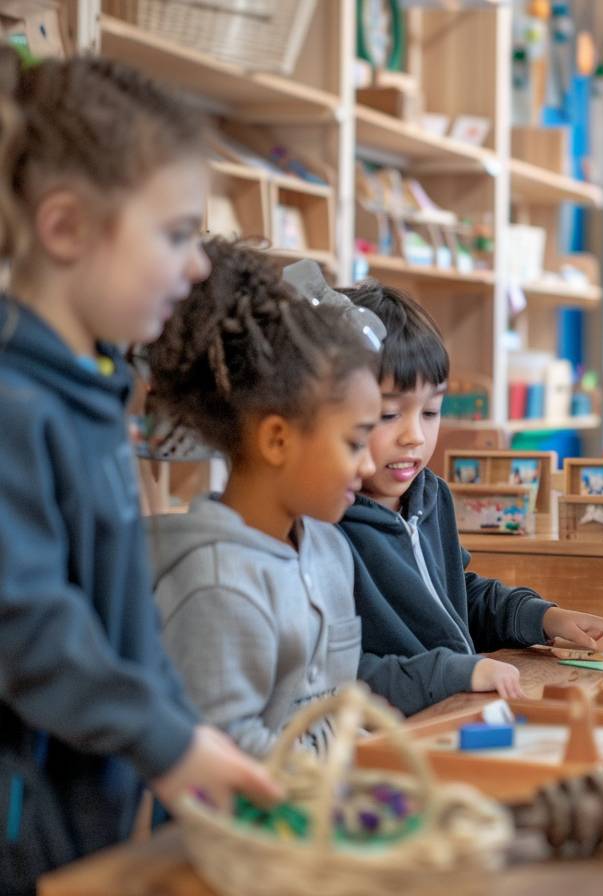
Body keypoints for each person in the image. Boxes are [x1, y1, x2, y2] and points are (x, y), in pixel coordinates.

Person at [0, 52, 276, 893]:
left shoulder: (90, 394)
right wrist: (170, 742)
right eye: (174, 234)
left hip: (92, 817)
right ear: (65, 228)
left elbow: (124, 632)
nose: (196, 266)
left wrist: (188, 743)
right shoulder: (17, 405)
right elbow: (28, 624)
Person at [338, 281, 603, 715]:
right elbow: (339, 671)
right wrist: (456, 671)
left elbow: (456, 595)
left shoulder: (430, 495)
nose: (414, 436)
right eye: (389, 414)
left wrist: (541, 618)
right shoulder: (328, 520)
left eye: (430, 412)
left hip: (455, 707)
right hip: (390, 730)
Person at [145, 239, 382, 757]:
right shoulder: (214, 583)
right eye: (355, 442)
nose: (369, 465)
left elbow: (337, 706)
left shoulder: (330, 548)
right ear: (277, 440)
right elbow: (225, 755)